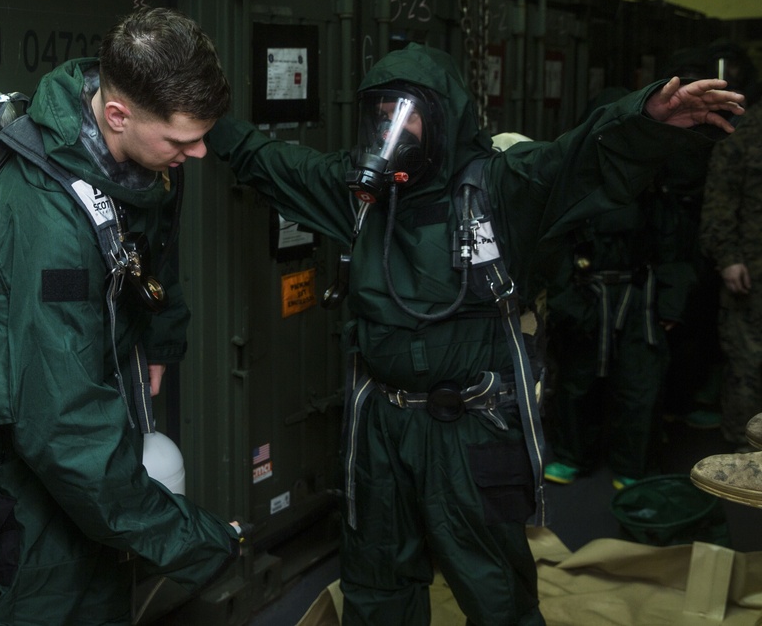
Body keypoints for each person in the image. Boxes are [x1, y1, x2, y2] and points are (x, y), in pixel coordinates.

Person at [206, 42, 743, 625]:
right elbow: (270, 161)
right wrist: (200, 112)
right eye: (382, 115)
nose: (393, 128)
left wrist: (646, 118)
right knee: (376, 577)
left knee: (494, 588)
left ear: (443, 117)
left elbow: (581, 158)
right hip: (380, 426)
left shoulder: (501, 187)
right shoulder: (361, 196)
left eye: (407, 113)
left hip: (468, 428)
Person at [0, 7, 242, 625]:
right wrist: (195, 543)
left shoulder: (139, 163)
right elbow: (62, 424)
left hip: (89, 419)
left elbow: (153, 254)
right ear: (117, 114)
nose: (201, 153)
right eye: (183, 140)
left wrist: (162, 340)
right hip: (35, 470)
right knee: (56, 607)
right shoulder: (48, 220)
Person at [541, 87, 698, 490]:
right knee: (575, 382)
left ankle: (632, 463)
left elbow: (673, 245)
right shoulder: (571, 179)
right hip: (585, 292)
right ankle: (572, 454)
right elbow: (552, 244)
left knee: (639, 383)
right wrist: (564, 300)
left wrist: (670, 301)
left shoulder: (654, 179)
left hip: (638, 297)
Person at [698, 66, 762, 452]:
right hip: (752, 271)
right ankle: (746, 448)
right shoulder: (745, 133)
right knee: (748, 363)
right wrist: (728, 257)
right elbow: (720, 199)